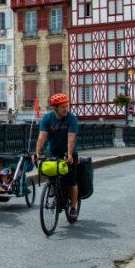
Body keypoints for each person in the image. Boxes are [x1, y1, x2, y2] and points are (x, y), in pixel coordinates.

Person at [33, 92, 81, 220]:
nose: (66, 109)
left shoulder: (71, 118)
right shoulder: (47, 118)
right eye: (63, 107)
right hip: (53, 151)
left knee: (71, 181)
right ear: (55, 108)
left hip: (68, 151)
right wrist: (37, 153)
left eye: (67, 106)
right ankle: (52, 184)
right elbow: (42, 136)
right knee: (48, 168)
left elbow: (71, 138)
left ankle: (73, 207)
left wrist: (70, 154)